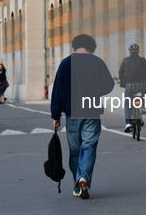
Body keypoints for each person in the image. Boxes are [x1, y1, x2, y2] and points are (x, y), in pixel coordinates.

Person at [51, 34, 115, 199]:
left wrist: (56, 115)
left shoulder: (66, 63)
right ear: (91, 46)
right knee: (89, 147)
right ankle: (84, 178)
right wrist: (95, 90)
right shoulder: (97, 62)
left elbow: (58, 89)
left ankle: (76, 184)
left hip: (73, 112)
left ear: (75, 46)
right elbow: (109, 85)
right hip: (92, 111)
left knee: (75, 150)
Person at [118, 43, 146, 133]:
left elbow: (121, 72)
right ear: (138, 51)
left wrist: (121, 81)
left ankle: (128, 123)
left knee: (128, 104)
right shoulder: (143, 60)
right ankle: (143, 106)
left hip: (130, 85)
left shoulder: (126, 60)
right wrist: (145, 80)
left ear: (130, 51)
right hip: (142, 85)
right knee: (144, 92)